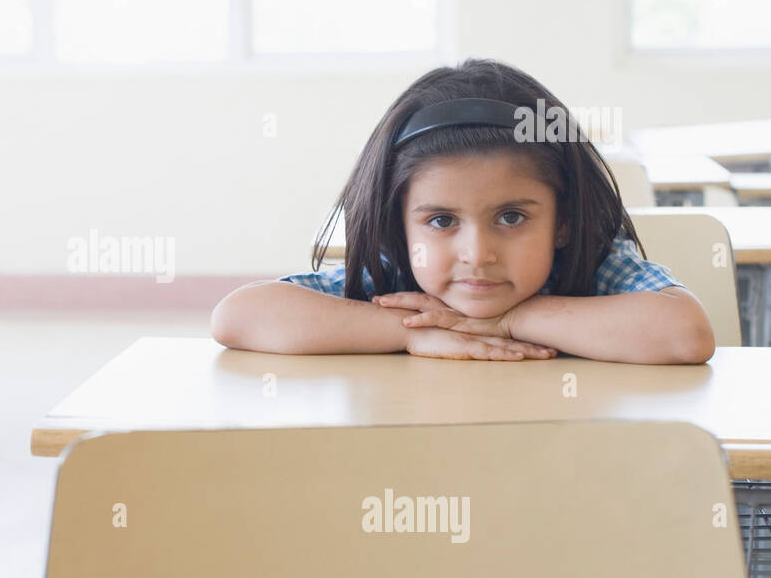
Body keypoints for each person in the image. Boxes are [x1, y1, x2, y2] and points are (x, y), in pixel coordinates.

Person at [211, 59, 715, 363]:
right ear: (399, 225)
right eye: (441, 221)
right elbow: (238, 316)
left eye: (512, 217)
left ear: (562, 221)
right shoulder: (401, 283)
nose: (477, 255)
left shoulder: (593, 268)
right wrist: (418, 335)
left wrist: (513, 321)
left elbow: (685, 334)